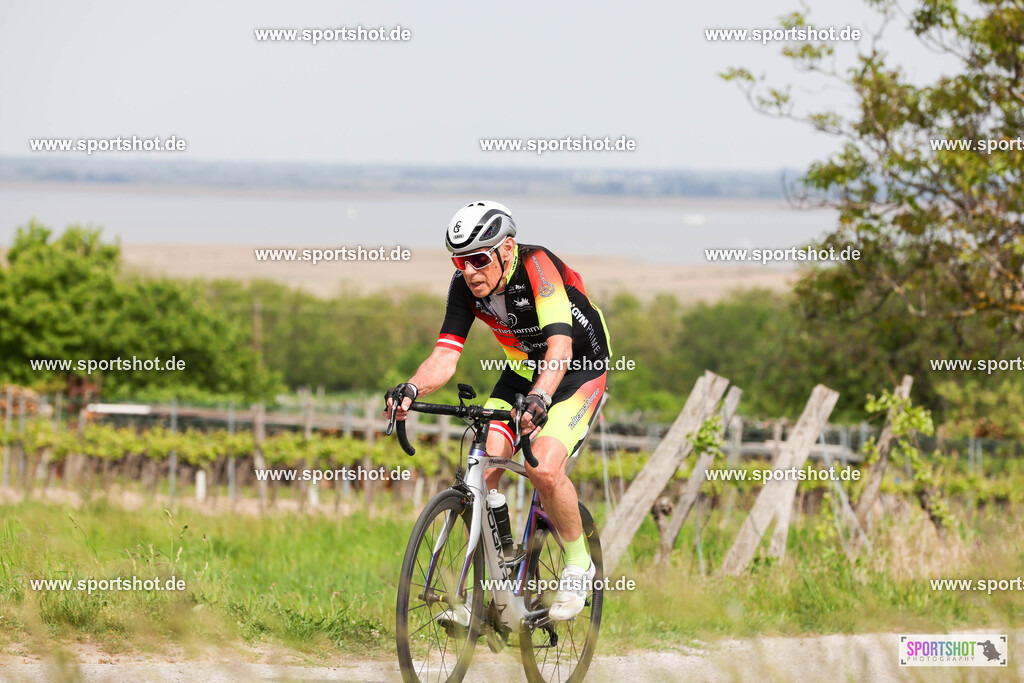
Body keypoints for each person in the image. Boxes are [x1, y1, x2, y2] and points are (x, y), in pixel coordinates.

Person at [385, 200, 611, 621]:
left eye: (477, 259)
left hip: (579, 370)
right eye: (459, 260)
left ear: (506, 249)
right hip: (523, 370)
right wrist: (412, 388)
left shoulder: (537, 266)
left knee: (544, 468)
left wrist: (542, 399)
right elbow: (444, 357)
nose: (469, 271)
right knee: (481, 467)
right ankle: (488, 588)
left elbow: (560, 349)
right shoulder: (464, 287)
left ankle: (579, 565)